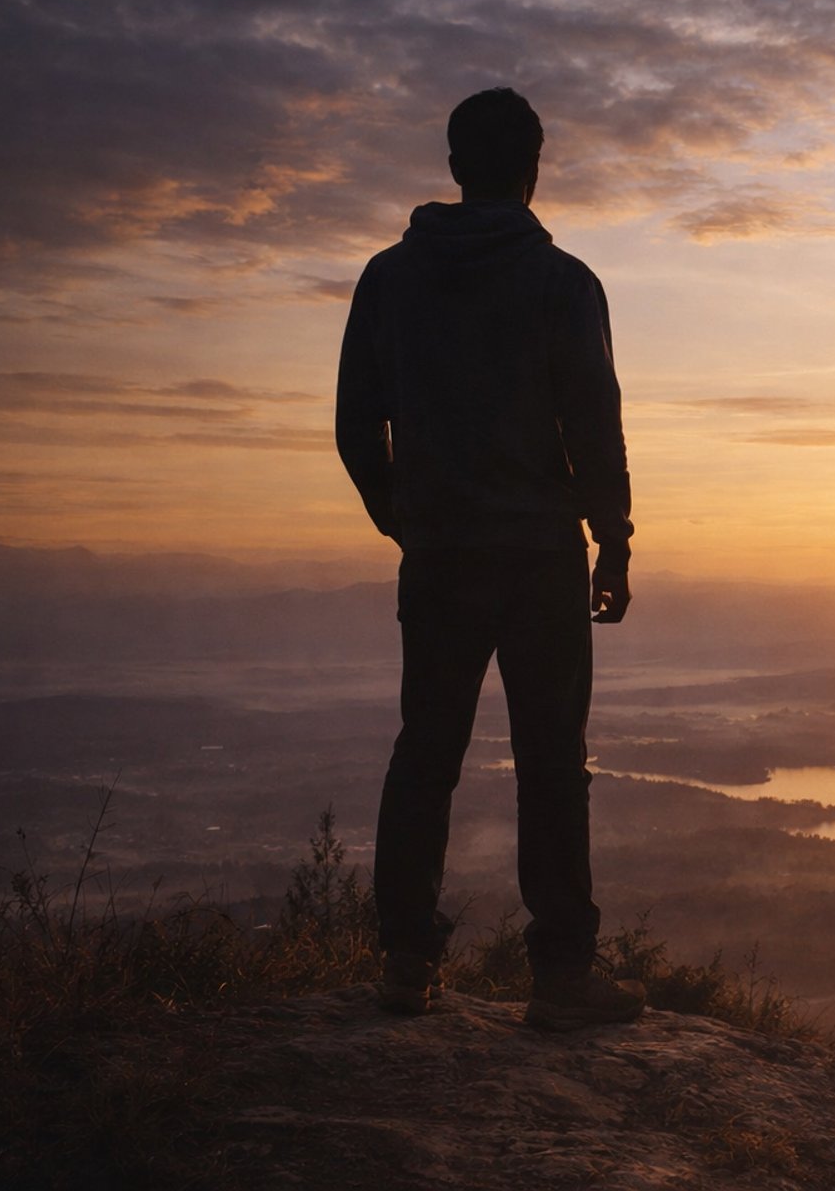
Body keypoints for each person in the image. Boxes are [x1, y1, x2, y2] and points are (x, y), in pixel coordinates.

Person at [335, 86, 644, 1030]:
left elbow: (357, 427)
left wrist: (409, 521)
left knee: (425, 755)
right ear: (532, 167)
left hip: (439, 558)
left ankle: (405, 964)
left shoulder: (389, 279)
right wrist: (614, 537)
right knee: (553, 762)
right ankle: (558, 980)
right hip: (539, 553)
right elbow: (593, 421)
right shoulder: (562, 282)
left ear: (457, 165)